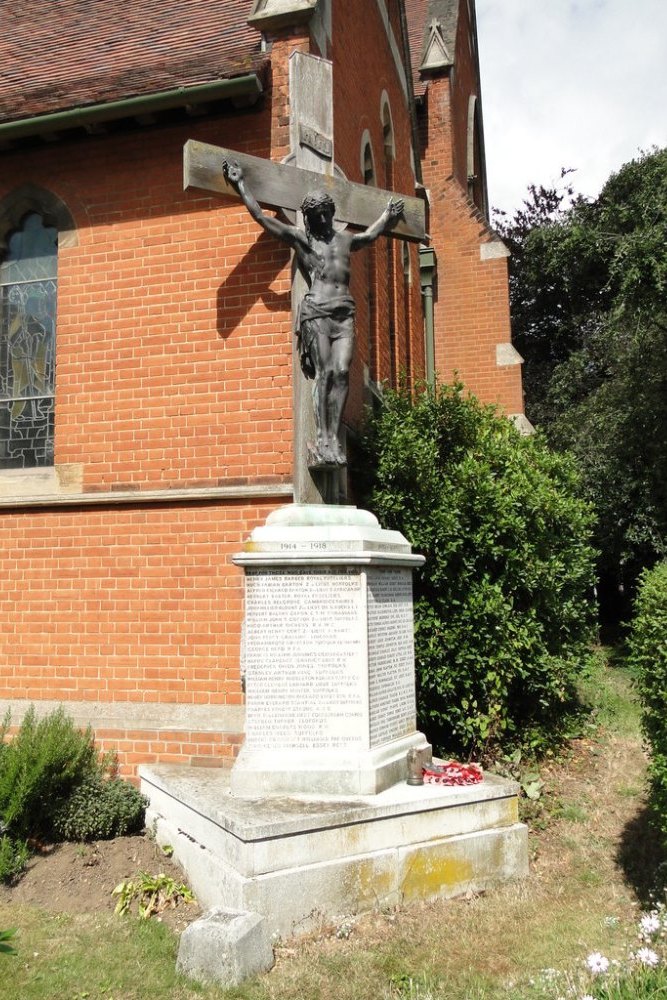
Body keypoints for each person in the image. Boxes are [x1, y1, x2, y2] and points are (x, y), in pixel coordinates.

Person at [222, 159, 403, 467]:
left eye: (325, 213)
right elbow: (263, 219)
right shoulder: (302, 240)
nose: (322, 219)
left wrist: (387, 214)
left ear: (331, 213)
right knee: (324, 372)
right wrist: (241, 183)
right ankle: (322, 438)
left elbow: (371, 236)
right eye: (316, 215)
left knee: (342, 372)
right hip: (317, 311)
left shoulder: (345, 240)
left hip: (344, 312)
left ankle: (333, 436)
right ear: (308, 217)